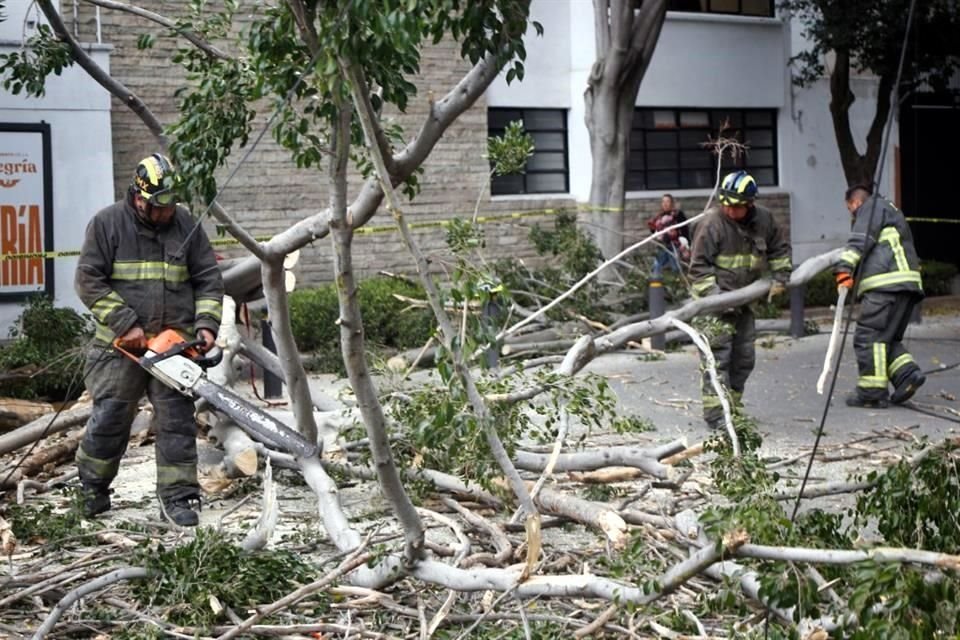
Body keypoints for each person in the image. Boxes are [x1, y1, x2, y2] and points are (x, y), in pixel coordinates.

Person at [74, 153, 224, 526]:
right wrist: (124, 321)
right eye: (160, 205)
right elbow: (88, 280)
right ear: (140, 198)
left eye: (172, 203)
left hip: (173, 346)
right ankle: (91, 489)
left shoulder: (186, 224)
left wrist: (206, 325)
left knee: (176, 421)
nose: (167, 211)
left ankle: (179, 498)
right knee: (110, 418)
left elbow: (208, 278)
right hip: (120, 347)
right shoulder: (107, 224)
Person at [689, 170, 792, 429]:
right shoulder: (711, 224)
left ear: (750, 204)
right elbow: (698, 269)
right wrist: (717, 300)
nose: (729, 210)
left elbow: (780, 249)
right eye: (726, 204)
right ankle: (717, 416)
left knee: (744, 358)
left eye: (736, 206)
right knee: (717, 359)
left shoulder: (764, 220)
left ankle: (732, 408)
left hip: (745, 304)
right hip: (714, 307)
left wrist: (781, 278)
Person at [834, 184, 925, 408]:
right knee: (887, 338)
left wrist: (844, 268)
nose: (852, 214)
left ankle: (871, 393)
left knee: (868, 337)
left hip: (885, 285)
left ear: (855, 202)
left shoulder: (871, 207)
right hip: (906, 284)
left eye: (850, 209)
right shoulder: (889, 210)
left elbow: (861, 239)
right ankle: (907, 376)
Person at [647, 194, 690, 278]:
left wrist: (686, 244)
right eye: (663, 202)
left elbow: (685, 230)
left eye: (667, 201)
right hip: (662, 245)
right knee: (657, 266)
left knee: (675, 267)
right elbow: (655, 231)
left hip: (675, 245)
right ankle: (655, 281)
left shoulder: (678, 214)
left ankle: (677, 281)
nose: (665, 204)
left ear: (672, 203)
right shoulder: (659, 216)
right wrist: (652, 228)